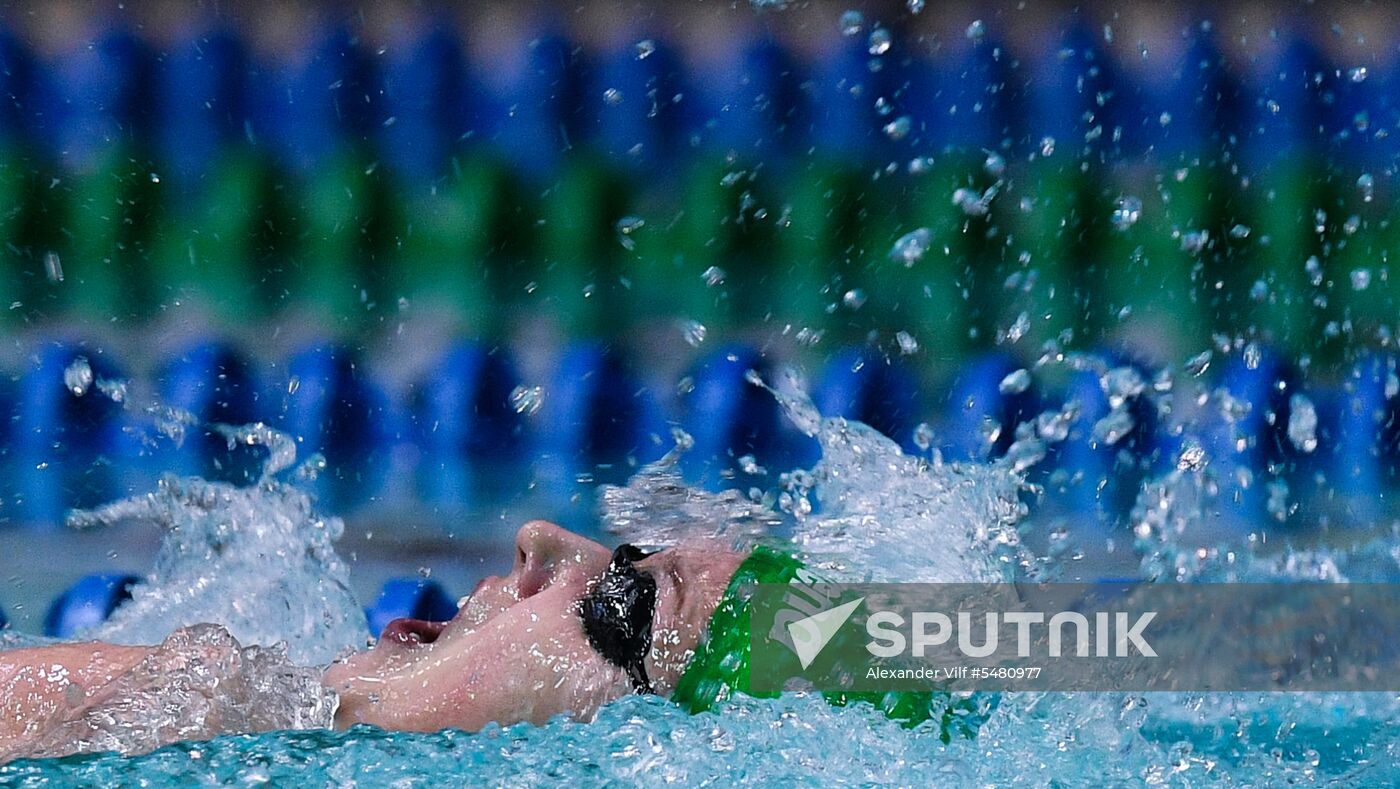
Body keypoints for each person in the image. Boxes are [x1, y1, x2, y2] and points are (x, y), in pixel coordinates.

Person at [0, 520, 981, 761]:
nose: (542, 539)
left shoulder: (196, 705)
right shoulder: (232, 702)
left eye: (620, 609)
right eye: (626, 551)